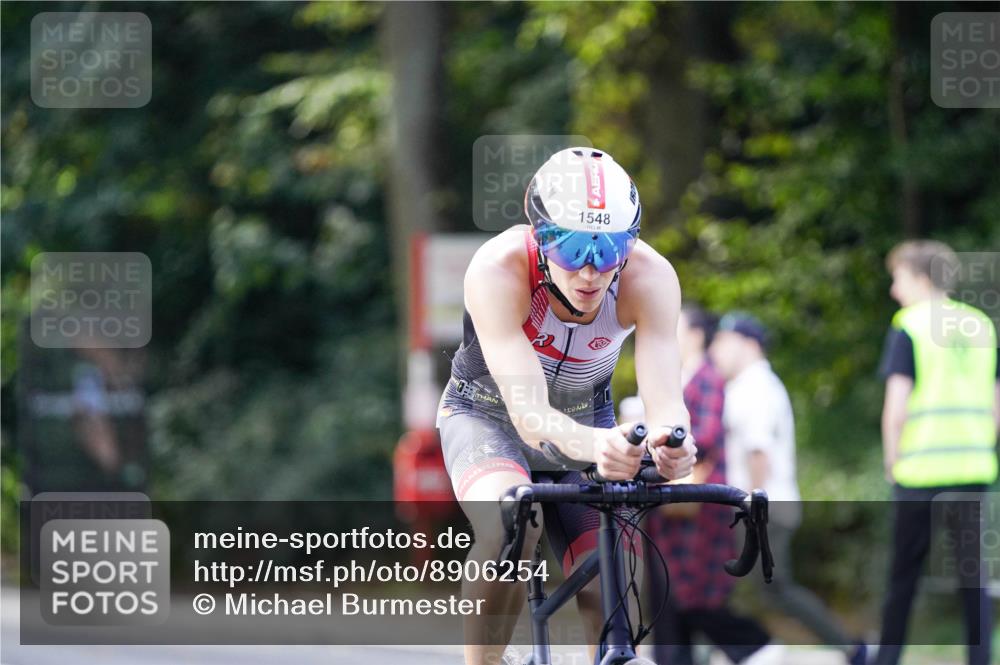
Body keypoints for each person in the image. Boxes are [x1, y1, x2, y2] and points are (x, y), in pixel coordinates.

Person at [435, 147, 698, 665]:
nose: (591, 272)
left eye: (610, 249)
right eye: (573, 249)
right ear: (540, 236)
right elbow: (530, 415)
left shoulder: (651, 277)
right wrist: (602, 445)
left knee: (614, 572)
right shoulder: (498, 268)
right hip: (488, 417)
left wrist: (673, 445)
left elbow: (667, 402)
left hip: (586, 421)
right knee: (512, 522)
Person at [709, 312, 866, 665]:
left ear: (748, 344)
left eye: (723, 341)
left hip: (763, 509)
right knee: (749, 588)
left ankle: (852, 649)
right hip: (760, 507)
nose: (716, 350)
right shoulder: (745, 386)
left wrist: (752, 508)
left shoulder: (756, 387)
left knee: (772, 588)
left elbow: (758, 452)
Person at [875, 240, 997, 665]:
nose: (894, 289)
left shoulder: (909, 324)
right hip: (974, 467)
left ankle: (887, 659)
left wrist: (892, 459)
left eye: (899, 278)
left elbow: (897, 405)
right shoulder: (981, 324)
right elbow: (996, 401)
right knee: (973, 577)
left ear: (921, 278)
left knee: (903, 577)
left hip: (920, 471)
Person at [646, 305, 772, 665]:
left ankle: (756, 646)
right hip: (676, 503)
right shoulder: (681, 378)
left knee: (692, 595)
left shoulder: (707, 377)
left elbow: (706, 434)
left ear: (696, 334)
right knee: (672, 596)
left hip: (699, 504)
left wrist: (661, 437)